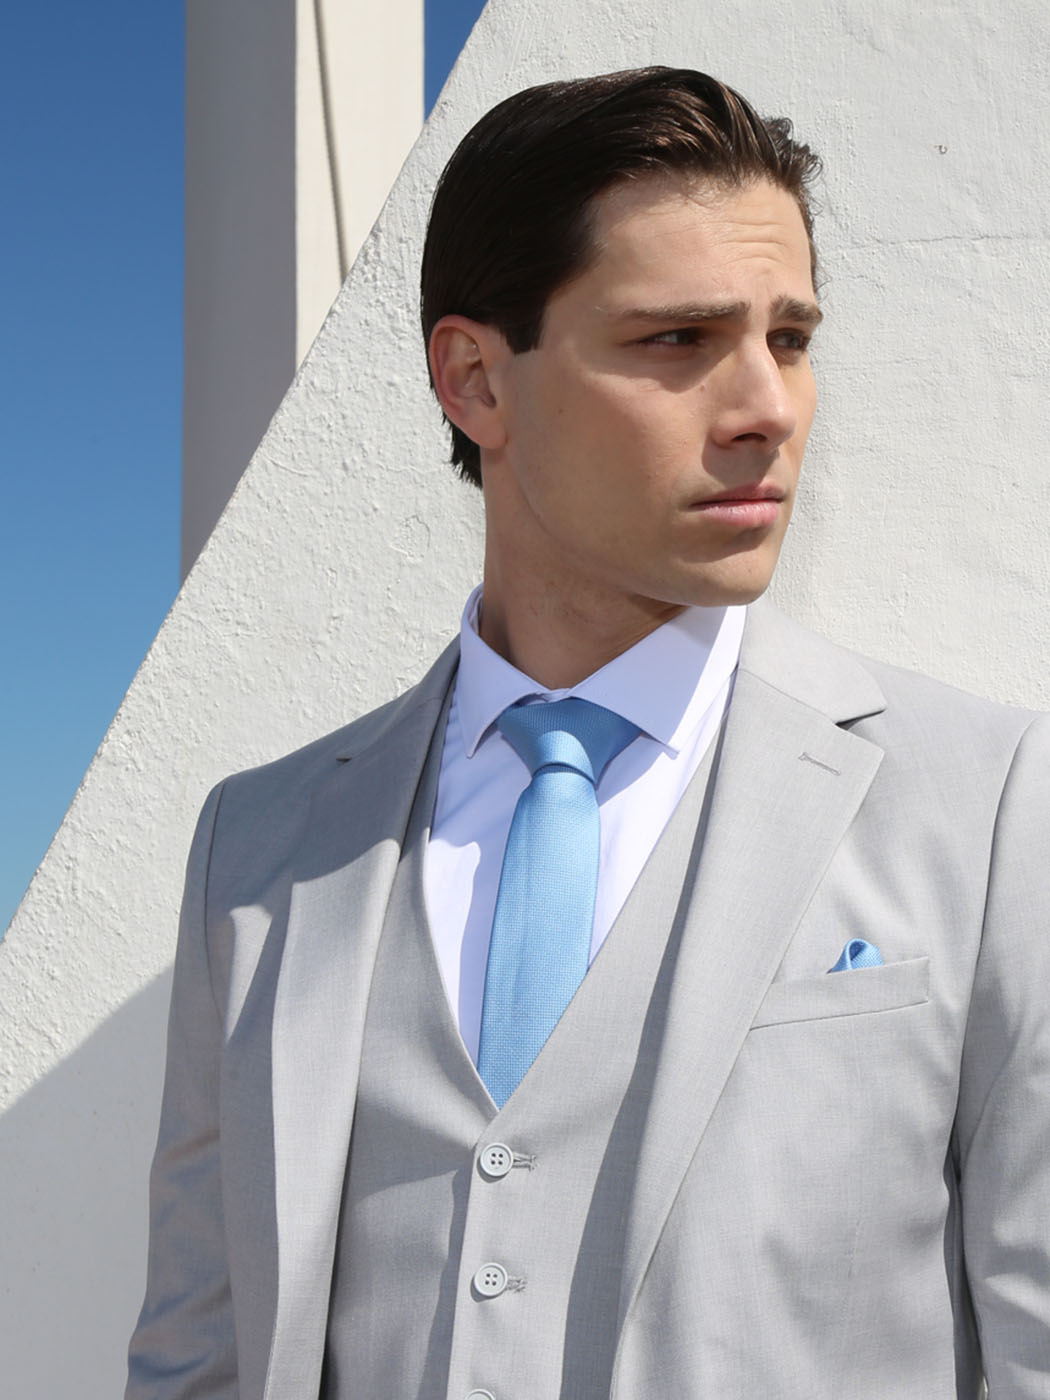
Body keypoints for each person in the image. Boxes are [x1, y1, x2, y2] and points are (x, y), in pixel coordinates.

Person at [127, 68, 1050, 1398]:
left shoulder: (988, 802)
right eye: (678, 338)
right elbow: (196, 1352)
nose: (768, 406)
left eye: (789, 338)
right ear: (474, 380)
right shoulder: (262, 845)